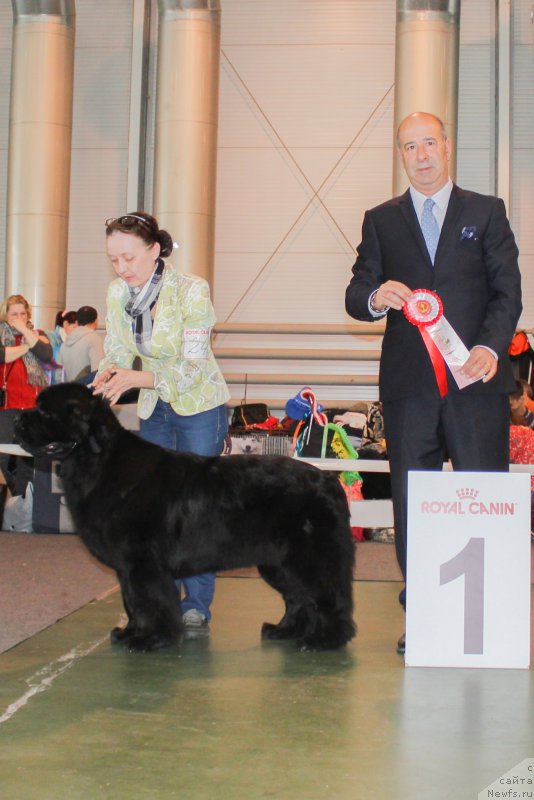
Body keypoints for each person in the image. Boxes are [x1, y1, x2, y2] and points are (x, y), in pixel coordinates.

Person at [345, 111, 523, 656]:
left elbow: (507, 291)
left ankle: (487, 616)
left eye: (428, 143)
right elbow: (357, 293)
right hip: (409, 388)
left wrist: (490, 349)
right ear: (400, 155)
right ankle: (421, 610)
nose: (420, 155)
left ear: (446, 146)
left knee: (483, 495)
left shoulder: (486, 212)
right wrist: (377, 298)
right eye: (408, 147)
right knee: (411, 499)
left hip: (476, 383)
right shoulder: (381, 219)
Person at [92, 212, 230, 637]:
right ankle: (153, 602)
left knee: (195, 509)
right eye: (114, 259)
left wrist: (137, 379)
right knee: (151, 513)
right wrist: (107, 372)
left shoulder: (191, 290)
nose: (122, 268)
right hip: (155, 410)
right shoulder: (118, 293)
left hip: (199, 408)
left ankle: (198, 605)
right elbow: (116, 346)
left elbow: (192, 366)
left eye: (129, 257)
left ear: (154, 250)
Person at [0, 294, 53, 495]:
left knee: (29, 458)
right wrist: (29, 345)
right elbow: (3, 355)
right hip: (5, 407)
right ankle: (10, 489)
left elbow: (46, 354)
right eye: (14, 314)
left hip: (32, 407)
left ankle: (22, 502)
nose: (19, 317)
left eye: (23, 313)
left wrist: (24, 331)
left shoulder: (37, 333)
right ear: (5, 315)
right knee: (2, 457)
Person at [59, 305, 105, 382]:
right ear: (96, 321)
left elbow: (60, 374)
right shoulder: (94, 339)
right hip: (86, 391)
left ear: (77, 322)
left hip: (69, 390)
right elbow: (98, 373)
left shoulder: (64, 344)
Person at [45, 310, 78, 384]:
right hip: (51, 384)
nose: (77, 331)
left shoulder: (74, 341)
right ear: (66, 324)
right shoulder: (50, 336)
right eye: (74, 327)